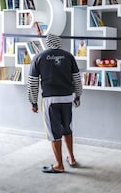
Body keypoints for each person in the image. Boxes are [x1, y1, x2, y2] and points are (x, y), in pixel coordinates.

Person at [27, 34, 83, 174]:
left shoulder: (39, 57)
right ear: (59, 42)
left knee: (54, 132)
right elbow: (77, 78)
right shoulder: (69, 56)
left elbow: (32, 83)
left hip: (50, 100)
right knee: (67, 128)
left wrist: (33, 102)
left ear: (47, 43)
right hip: (67, 98)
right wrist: (78, 95)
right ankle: (71, 159)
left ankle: (59, 165)